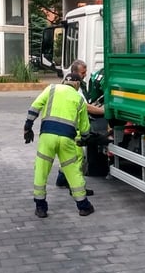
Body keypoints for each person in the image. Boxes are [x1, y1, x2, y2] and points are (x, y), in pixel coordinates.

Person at [25, 72, 95, 218]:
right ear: (76, 84)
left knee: (41, 171)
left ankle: (40, 207)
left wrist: (28, 127)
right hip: (67, 140)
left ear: (64, 81)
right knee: (73, 171)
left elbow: (35, 107)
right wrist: (84, 138)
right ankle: (83, 206)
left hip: (47, 137)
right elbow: (85, 127)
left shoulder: (51, 88)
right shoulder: (78, 98)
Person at [55, 59, 103, 190]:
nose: (85, 74)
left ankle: (62, 179)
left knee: (68, 157)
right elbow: (85, 106)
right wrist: (102, 110)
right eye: (83, 72)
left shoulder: (74, 85)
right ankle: (76, 186)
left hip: (66, 127)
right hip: (72, 128)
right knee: (77, 157)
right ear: (75, 73)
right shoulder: (74, 87)